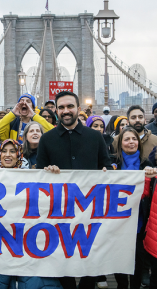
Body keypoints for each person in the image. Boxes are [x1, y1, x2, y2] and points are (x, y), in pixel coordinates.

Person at [37, 91, 112, 289]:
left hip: (89, 209)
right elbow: (37, 177)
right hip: (58, 211)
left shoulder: (96, 137)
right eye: (61, 107)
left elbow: (106, 165)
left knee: (91, 254)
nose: (65, 111)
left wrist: (106, 171)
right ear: (56, 111)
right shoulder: (46, 140)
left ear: (78, 109)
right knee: (62, 256)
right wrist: (47, 172)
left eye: (70, 106)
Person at [0, 139, 62, 289]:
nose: (7, 155)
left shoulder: (33, 177)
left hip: (30, 240)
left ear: (19, 155)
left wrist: (53, 175)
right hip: (3, 240)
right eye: (4, 151)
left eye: (12, 151)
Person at [111, 127, 157, 289]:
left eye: (134, 139)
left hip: (139, 221)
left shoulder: (147, 164)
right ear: (120, 143)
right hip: (117, 221)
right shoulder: (112, 165)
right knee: (118, 258)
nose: (131, 142)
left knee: (138, 259)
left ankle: (135, 286)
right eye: (127, 139)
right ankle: (121, 285)